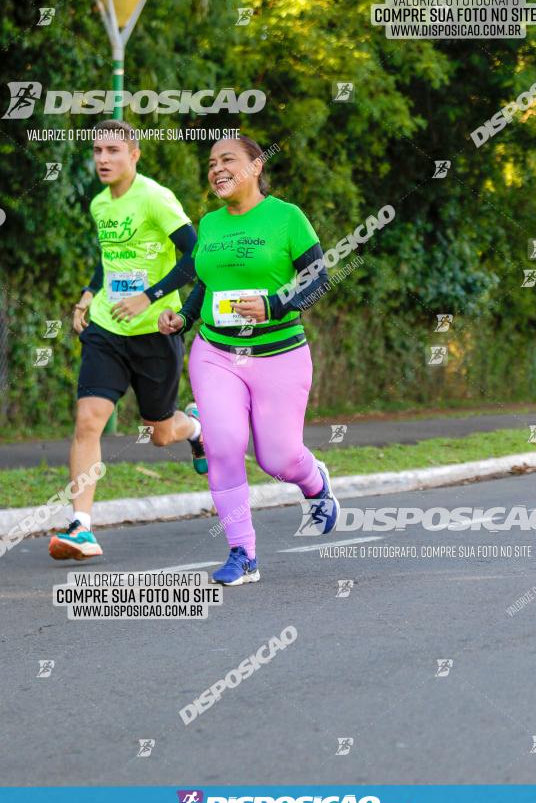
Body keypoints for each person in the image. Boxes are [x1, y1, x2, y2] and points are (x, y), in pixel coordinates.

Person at [158, 135, 339, 585]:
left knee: (277, 459)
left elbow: (319, 280)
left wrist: (274, 305)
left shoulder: (287, 217)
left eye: (228, 160)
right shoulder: (211, 224)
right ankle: (243, 552)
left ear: (256, 166)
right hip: (217, 353)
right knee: (223, 445)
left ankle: (314, 480)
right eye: (212, 162)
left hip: (279, 354)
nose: (217, 168)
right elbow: (205, 283)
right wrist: (182, 316)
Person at [48, 119, 207, 562]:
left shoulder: (155, 198)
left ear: (133, 155)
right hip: (107, 329)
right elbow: (108, 260)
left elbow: (198, 256)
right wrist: (87, 294)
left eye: (113, 151)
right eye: (98, 151)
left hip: (156, 331)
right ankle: (81, 526)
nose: (103, 159)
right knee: (88, 420)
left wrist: (150, 297)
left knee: (159, 433)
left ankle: (195, 427)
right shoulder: (100, 204)